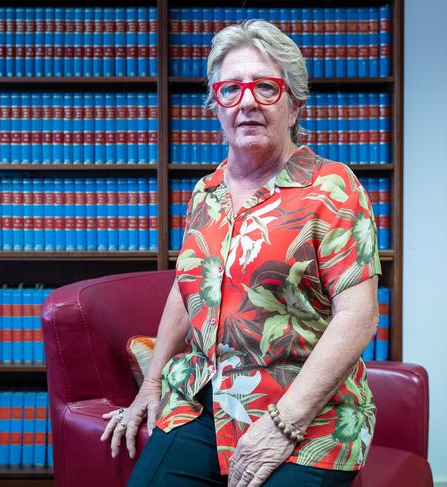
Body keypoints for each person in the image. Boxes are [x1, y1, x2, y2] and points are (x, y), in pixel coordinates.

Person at [101, 19, 381, 487]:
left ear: (294, 106)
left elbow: (359, 315)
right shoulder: (205, 192)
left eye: (266, 88)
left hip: (306, 413)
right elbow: (189, 286)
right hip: (202, 402)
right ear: (217, 107)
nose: (247, 101)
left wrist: (282, 424)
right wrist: (149, 387)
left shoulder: (332, 188)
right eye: (231, 89)